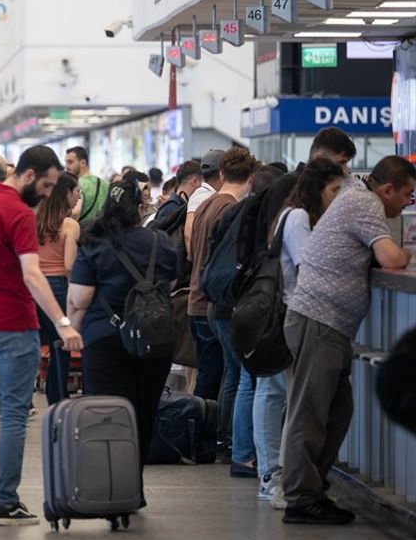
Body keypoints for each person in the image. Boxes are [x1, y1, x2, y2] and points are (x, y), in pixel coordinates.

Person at [0, 145, 82, 525]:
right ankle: (7, 502)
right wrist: (63, 322)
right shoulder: (20, 214)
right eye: (46, 185)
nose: (47, 193)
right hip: (13, 329)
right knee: (12, 416)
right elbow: (32, 274)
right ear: (28, 175)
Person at [281, 156, 415, 525]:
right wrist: (406, 252)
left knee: (338, 413)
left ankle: (310, 489)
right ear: (387, 189)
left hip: (330, 325)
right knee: (309, 413)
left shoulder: (357, 198)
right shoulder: (364, 202)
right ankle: (300, 498)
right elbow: (390, 256)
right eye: (407, 194)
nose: (407, 203)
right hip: (318, 320)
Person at [66, 181, 179, 498]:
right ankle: (135, 485)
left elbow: (81, 297)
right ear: (139, 207)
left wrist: (71, 332)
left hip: (106, 341)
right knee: (144, 414)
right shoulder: (159, 240)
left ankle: (111, 488)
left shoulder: (95, 243)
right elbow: (171, 280)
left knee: (108, 417)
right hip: (153, 339)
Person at [255, 158, 346, 509]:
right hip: (299, 315)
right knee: (291, 403)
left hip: (298, 317)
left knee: (290, 400)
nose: (338, 197)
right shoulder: (297, 219)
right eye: (334, 190)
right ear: (316, 189)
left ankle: (286, 480)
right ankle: (280, 481)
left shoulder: (295, 216)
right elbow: (311, 266)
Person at [186, 146, 257, 466]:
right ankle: (219, 441)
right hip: (216, 301)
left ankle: (213, 439)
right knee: (234, 376)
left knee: (226, 376)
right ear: (251, 177)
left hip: (201, 300)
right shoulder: (231, 208)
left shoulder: (205, 204)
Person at [34, 172, 81, 405]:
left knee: (40, 344)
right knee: (61, 347)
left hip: (34, 287)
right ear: (66, 194)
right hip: (58, 289)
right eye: (76, 192)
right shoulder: (70, 225)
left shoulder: (36, 220)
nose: (79, 197)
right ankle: (58, 400)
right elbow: (70, 265)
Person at [184, 149, 225, 251]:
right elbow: (188, 234)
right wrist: (198, 262)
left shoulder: (205, 193)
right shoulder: (202, 195)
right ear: (222, 173)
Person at [65, 146, 108, 224]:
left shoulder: (77, 185)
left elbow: (75, 212)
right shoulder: (105, 183)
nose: (66, 166)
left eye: (70, 162)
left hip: (82, 231)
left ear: (83, 163)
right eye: (66, 162)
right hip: (101, 231)